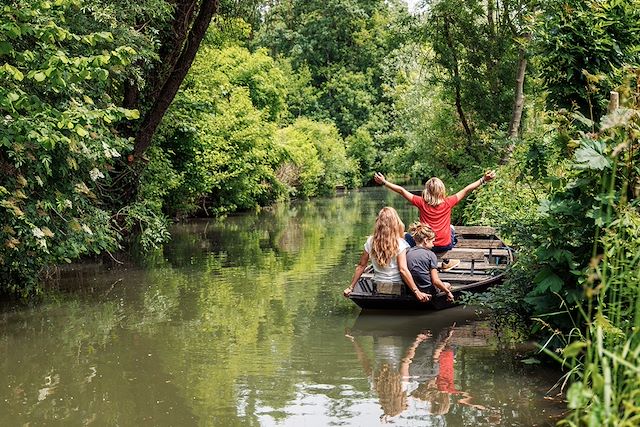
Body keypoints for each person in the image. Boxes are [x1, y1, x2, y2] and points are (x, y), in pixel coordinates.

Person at [374, 170, 496, 270]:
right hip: (444, 246)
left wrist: (384, 182)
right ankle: (446, 261)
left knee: (406, 236)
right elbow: (466, 190)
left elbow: (401, 191)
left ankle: (405, 261)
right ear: (442, 190)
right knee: (451, 228)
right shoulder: (448, 202)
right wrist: (483, 180)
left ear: (426, 190)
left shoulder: (421, 202)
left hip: (424, 244)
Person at [343, 207, 430, 303]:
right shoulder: (400, 243)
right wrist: (416, 291)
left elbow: (361, 266)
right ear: (395, 223)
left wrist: (351, 287)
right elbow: (403, 270)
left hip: (378, 285)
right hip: (399, 286)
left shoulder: (370, 241)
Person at [406, 222, 455, 302]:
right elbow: (435, 281)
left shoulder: (408, 252)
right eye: (432, 241)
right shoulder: (430, 254)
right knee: (448, 285)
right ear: (425, 240)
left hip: (412, 290)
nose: (433, 245)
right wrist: (447, 292)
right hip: (428, 291)